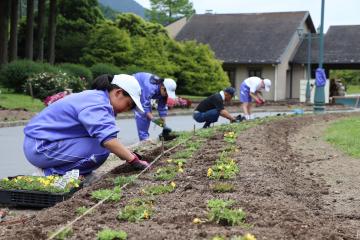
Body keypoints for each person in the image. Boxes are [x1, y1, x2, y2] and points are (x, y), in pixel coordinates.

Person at [23, 74, 150, 176]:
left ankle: (65, 172)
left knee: (99, 143)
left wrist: (129, 154)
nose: (126, 109)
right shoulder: (98, 103)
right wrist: (134, 161)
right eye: (128, 104)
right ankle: (50, 173)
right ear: (118, 93)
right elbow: (109, 141)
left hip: (42, 143)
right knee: (101, 149)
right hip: (41, 147)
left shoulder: (97, 97)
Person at [132, 72, 177, 141]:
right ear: (162, 87)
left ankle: (144, 138)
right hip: (134, 86)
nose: (167, 95)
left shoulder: (162, 91)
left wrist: (163, 125)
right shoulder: (150, 87)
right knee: (142, 114)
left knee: (147, 113)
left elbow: (162, 107)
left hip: (143, 91)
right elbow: (145, 107)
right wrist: (155, 120)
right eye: (167, 93)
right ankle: (144, 139)